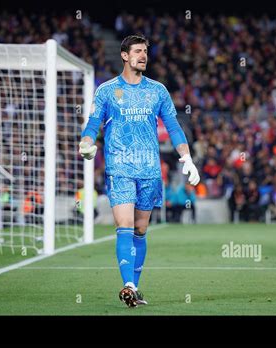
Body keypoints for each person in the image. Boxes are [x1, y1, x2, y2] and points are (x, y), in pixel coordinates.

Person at [78, 34, 200, 307]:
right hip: (119, 167)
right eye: (137, 51)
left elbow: (173, 126)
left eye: (145, 51)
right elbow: (92, 123)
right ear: (124, 55)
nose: (143, 55)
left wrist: (187, 158)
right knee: (125, 225)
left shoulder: (158, 90)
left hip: (150, 170)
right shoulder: (106, 90)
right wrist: (85, 143)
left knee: (141, 229)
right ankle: (128, 285)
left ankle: (135, 286)